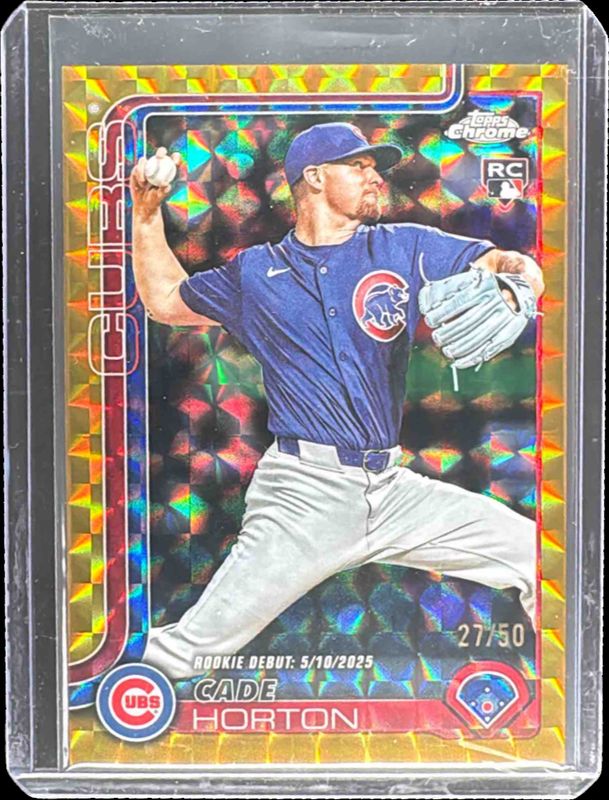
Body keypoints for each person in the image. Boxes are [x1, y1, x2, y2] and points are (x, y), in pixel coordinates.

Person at [131, 122, 544, 680]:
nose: (375, 176)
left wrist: (525, 278)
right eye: (359, 165)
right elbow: (163, 300)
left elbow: (500, 262)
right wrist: (147, 216)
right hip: (305, 496)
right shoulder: (256, 273)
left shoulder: (403, 246)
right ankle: (83, 683)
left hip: (391, 490)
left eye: (376, 167)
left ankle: (557, 696)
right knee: (190, 651)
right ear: (315, 177)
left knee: (540, 559)